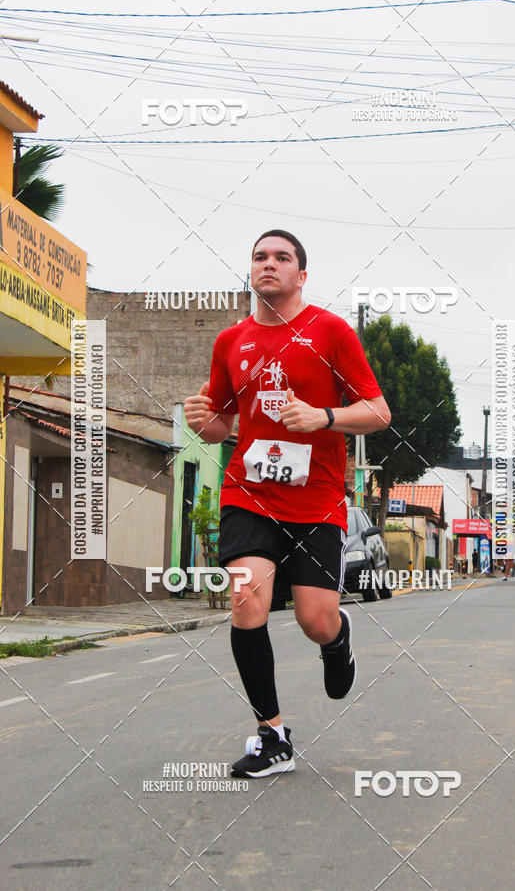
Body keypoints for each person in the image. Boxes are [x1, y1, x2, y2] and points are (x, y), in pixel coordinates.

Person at [184, 229, 390, 779]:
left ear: (302, 274)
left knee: (313, 619)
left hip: (316, 499)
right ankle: (272, 736)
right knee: (246, 600)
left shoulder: (330, 332)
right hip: (248, 494)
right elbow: (221, 426)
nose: (268, 264)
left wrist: (323, 417)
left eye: (282, 258)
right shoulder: (230, 342)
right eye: (259, 257)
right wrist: (200, 421)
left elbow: (378, 410)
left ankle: (338, 637)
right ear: (250, 270)